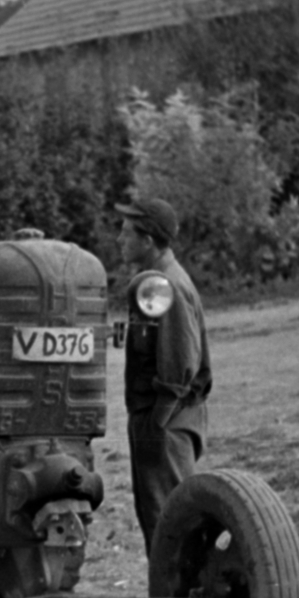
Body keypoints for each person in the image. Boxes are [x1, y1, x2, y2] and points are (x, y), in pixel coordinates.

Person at [116, 198, 211, 554]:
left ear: (149, 241)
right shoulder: (155, 284)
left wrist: (156, 423)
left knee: (171, 526)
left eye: (126, 233)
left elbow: (181, 365)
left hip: (166, 421)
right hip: (161, 419)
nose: (118, 240)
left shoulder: (165, 287)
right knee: (161, 523)